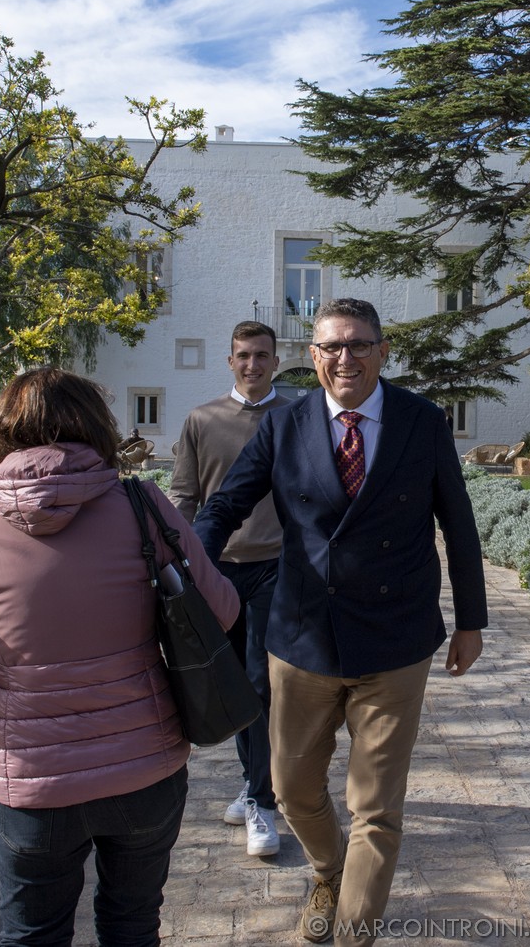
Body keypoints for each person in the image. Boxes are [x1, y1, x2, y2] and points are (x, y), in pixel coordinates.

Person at [0, 366, 239, 947]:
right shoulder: (144, 506)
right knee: (134, 928)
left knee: (32, 937)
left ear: (1, 433)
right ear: (97, 427)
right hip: (146, 764)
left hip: (33, 784)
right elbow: (223, 610)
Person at [194, 298, 487, 947]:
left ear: (383, 352)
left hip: (395, 638)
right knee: (292, 790)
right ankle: (329, 872)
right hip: (302, 638)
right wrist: (189, 567)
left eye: (358, 345)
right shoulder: (285, 424)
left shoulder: (422, 421)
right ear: (313, 356)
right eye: (331, 346)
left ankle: (355, 933)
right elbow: (226, 506)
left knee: (375, 809)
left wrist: (471, 621)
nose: (345, 358)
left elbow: (458, 523)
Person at [170, 319, 291, 858]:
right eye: (243, 355)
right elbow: (184, 496)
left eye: (262, 355)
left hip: (276, 567)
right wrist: (180, 563)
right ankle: (252, 781)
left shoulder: (294, 417)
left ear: (276, 362)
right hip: (217, 570)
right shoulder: (202, 420)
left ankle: (263, 802)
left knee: (261, 681)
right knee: (236, 682)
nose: (252, 364)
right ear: (230, 361)